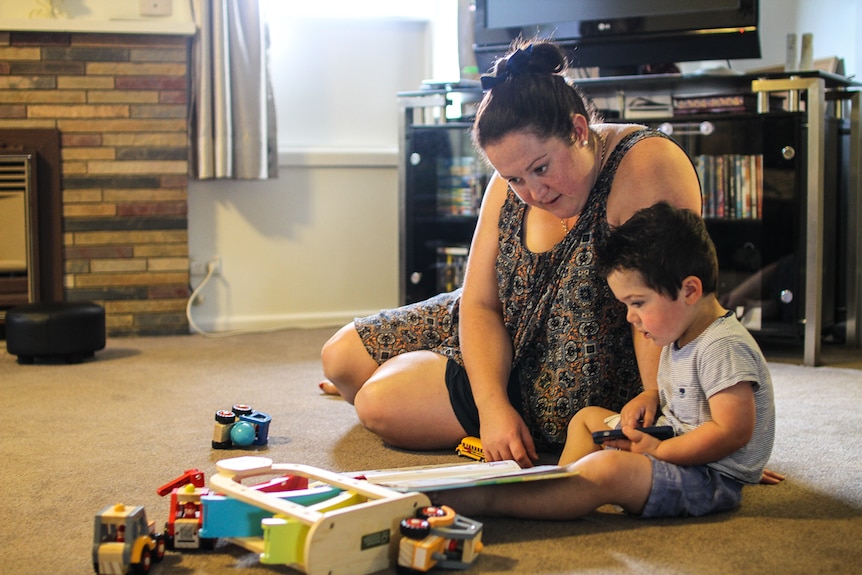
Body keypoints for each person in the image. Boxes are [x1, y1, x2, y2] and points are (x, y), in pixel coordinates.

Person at [319, 40, 702, 467]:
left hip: (567, 366)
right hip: (502, 317)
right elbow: (479, 302)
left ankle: (426, 384)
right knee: (339, 358)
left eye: (541, 168)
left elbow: (669, 301)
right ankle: (436, 381)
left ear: (578, 131)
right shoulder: (512, 179)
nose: (534, 193)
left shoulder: (643, 164)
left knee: (376, 401)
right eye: (515, 178)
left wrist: (685, 430)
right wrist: (491, 408)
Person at [435, 202, 777, 520]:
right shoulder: (684, 333)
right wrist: (649, 397)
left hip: (707, 479)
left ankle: (498, 501)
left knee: (608, 468)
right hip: (681, 450)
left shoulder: (723, 346)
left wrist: (660, 452)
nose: (630, 317)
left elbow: (732, 431)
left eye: (638, 303)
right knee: (588, 419)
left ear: (689, 290)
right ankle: (557, 486)